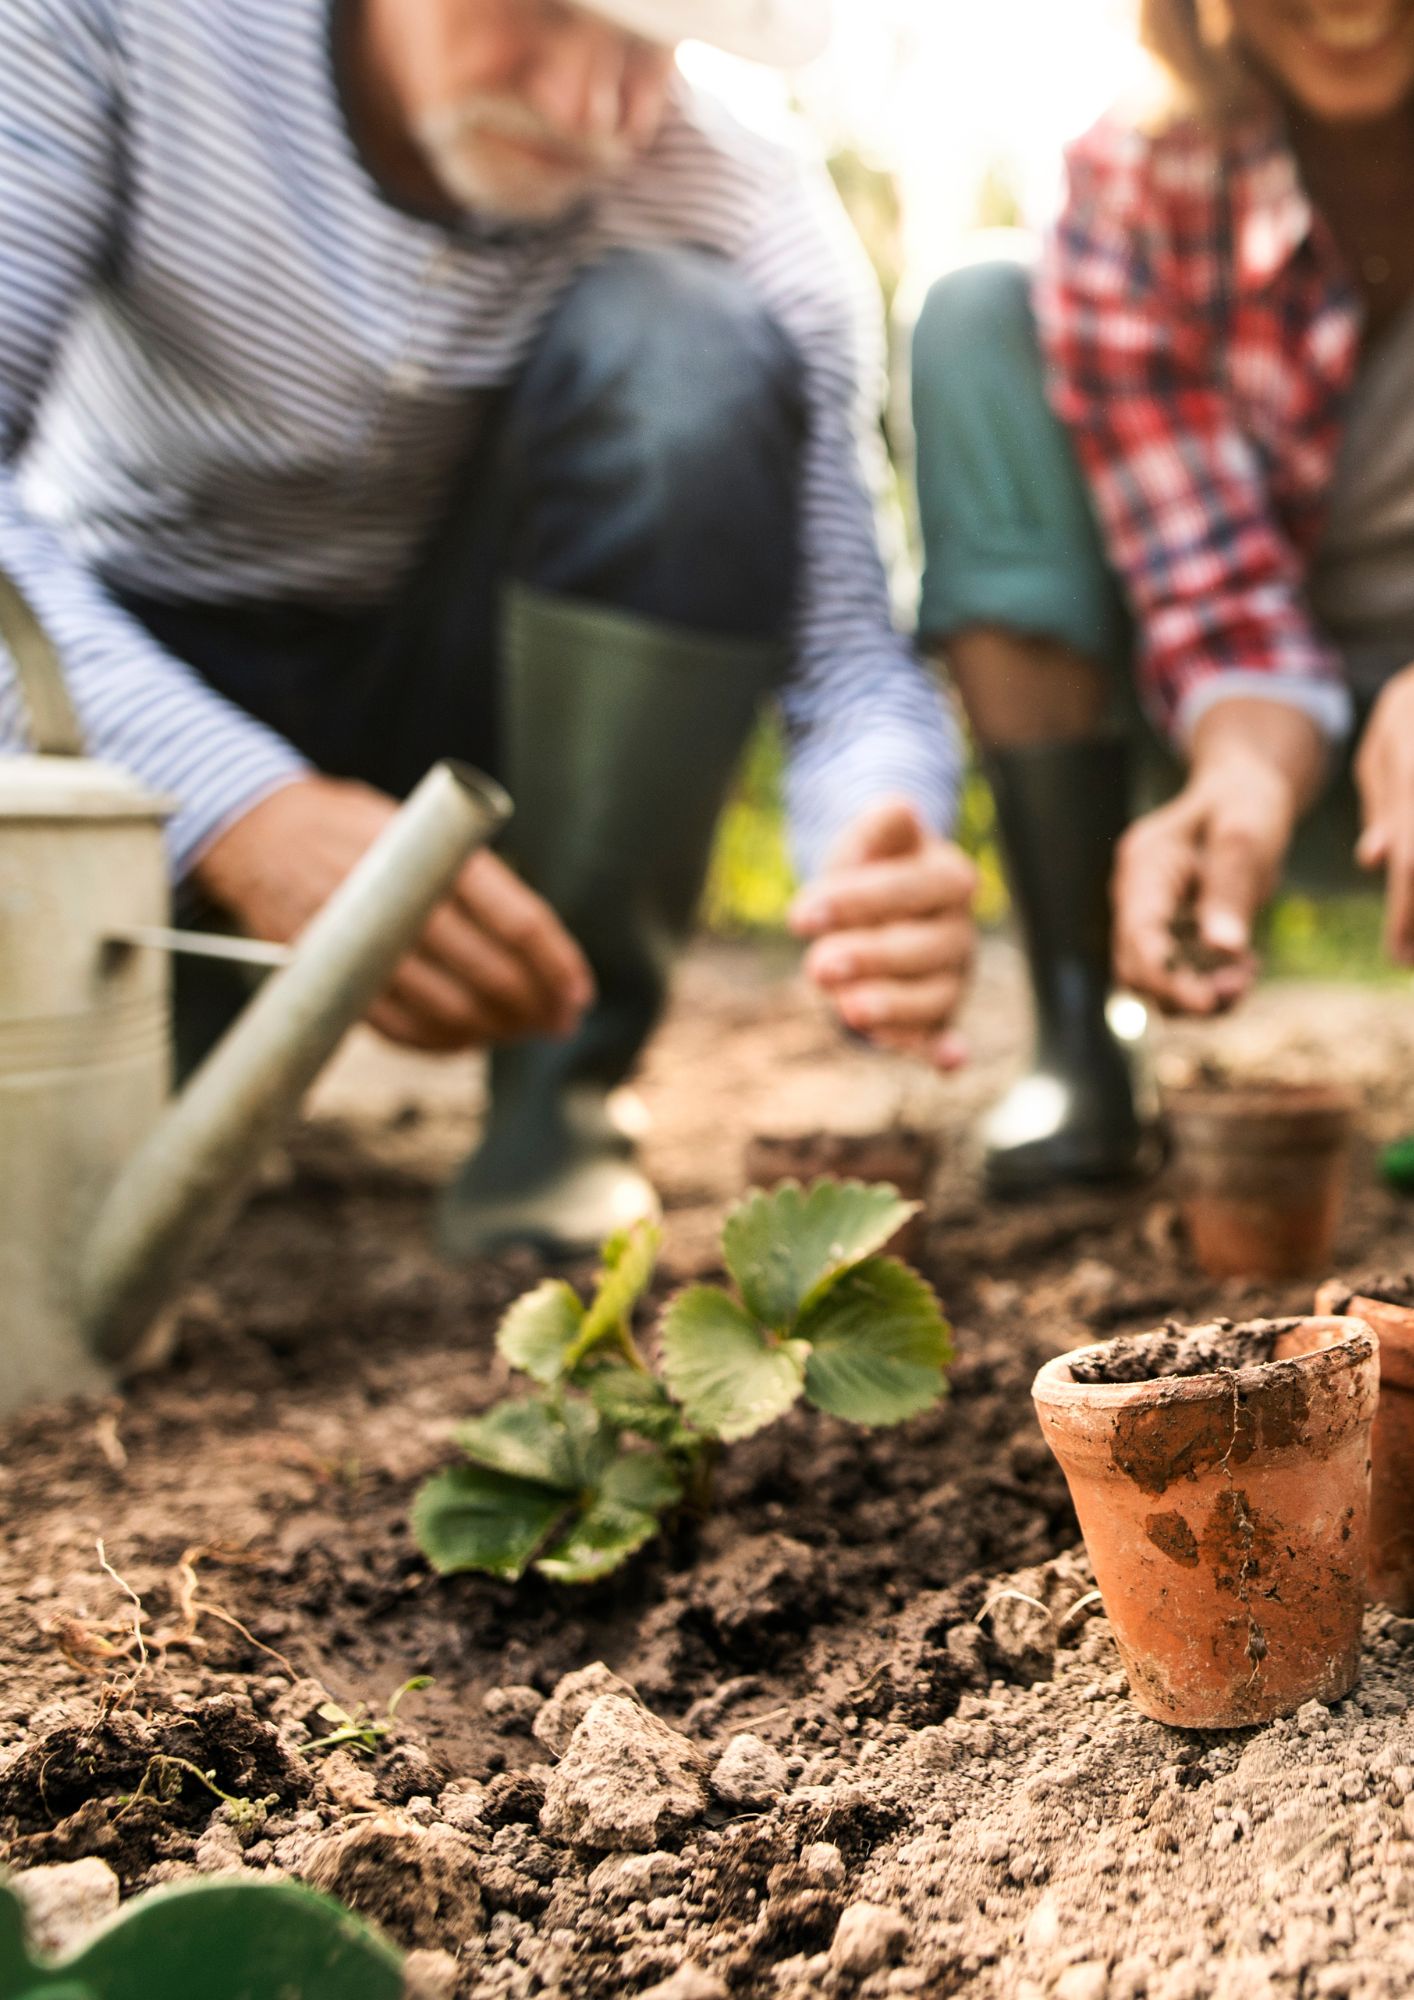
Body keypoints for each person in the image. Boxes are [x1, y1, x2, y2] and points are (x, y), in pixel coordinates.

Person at [0, 0, 977, 1258]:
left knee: (689, 353)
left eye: (650, 46)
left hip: (490, 713)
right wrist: (237, 807)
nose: (593, 108)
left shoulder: (741, 202)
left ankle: (558, 1097)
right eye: (544, 14)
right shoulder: (117, 27)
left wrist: (874, 830)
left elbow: (847, 663)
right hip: (135, 687)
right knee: (81, 1165)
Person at [911, 0, 1414, 1196]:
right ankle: (1079, 1023)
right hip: (1226, 727)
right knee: (977, 309)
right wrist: (1240, 772)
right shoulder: (1134, 178)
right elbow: (1217, 592)